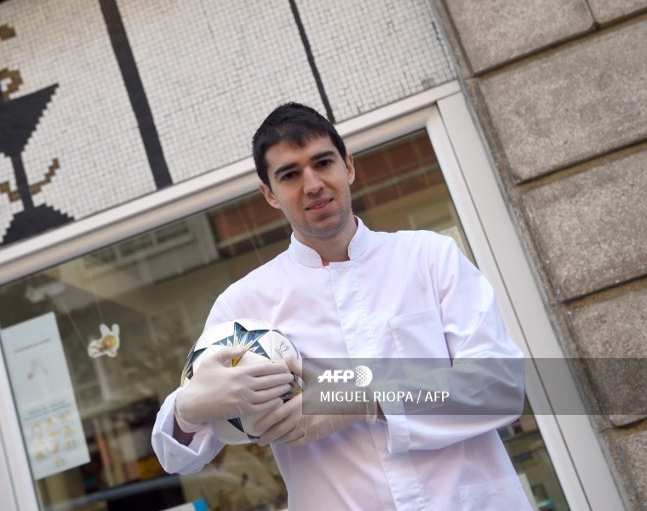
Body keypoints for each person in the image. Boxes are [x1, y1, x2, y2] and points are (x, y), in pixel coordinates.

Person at [152, 102, 530, 510]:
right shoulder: (244, 305)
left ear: (348, 166)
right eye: (290, 174)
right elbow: (178, 458)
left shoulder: (429, 257)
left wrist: (360, 399)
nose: (312, 184)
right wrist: (186, 410)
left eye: (323, 163)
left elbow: (501, 388)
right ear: (269, 194)